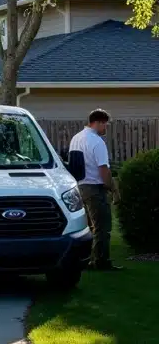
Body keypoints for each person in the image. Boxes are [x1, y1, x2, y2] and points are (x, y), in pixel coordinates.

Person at [69, 109, 121, 271]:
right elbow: (103, 169)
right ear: (98, 122)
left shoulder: (76, 139)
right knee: (102, 226)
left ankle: (87, 259)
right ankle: (100, 261)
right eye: (105, 124)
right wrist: (113, 189)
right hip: (94, 187)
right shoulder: (97, 142)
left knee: (87, 227)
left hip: (79, 187)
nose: (106, 127)